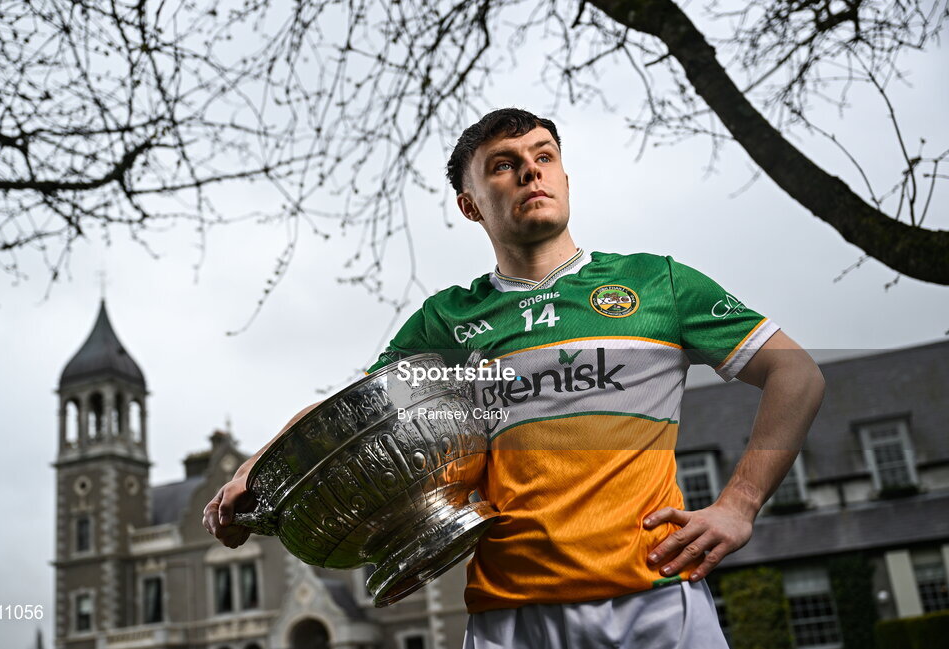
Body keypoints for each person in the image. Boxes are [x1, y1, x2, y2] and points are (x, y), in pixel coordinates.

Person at [203, 108, 826, 648]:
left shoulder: (657, 283)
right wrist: (248, 476)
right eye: (504, 164)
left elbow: (795, 373)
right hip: (510, 615)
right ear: (470, 204)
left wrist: (738, 506)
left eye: (544, 156)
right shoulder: (445, 319)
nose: (531, 171)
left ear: (562, 175)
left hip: (656, 600)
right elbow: (347, 416)